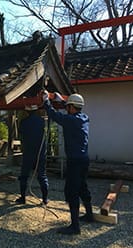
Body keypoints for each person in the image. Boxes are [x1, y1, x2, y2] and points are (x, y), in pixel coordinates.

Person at [42, 91, 93, 235]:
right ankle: (89, 215)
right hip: (84, 160)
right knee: (83, 187)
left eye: (68, 106)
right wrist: (64, 102)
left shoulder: (71, 120)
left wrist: (46, 101)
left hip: (75, 162)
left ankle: (75, 227)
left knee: (72, 192)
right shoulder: (84, 118)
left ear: (72, 107)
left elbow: (54, 115)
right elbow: (71, 113)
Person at [16, 105, 49, 205]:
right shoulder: (42, 121)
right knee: (42, 176)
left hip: (28, 153)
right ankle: (45, 199)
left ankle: (23, 198)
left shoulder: (24, 122)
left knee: (24, 176)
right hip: (40, 153)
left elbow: (20, 132)